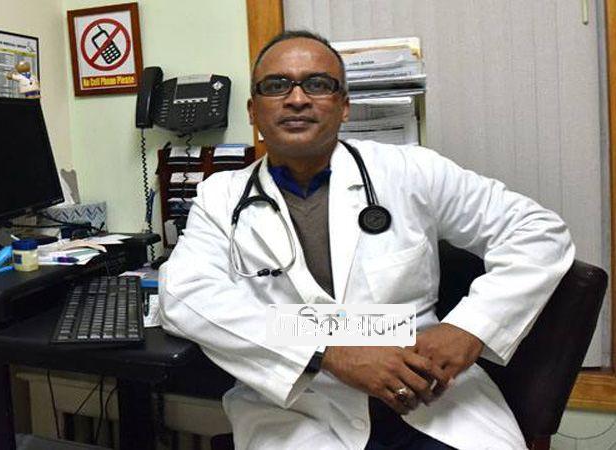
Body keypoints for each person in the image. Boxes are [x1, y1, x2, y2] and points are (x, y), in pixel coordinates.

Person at [159, 30, 574, 450]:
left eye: (317, 84)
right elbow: (185, 296)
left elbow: (538, 231)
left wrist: (469, 327)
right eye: (276, 85)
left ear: (344, 107)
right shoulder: (221, 197)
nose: (297, 98)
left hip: (429, 394)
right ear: (253, 110)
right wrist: (329, 351)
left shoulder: (411, 171)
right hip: (299, 408)